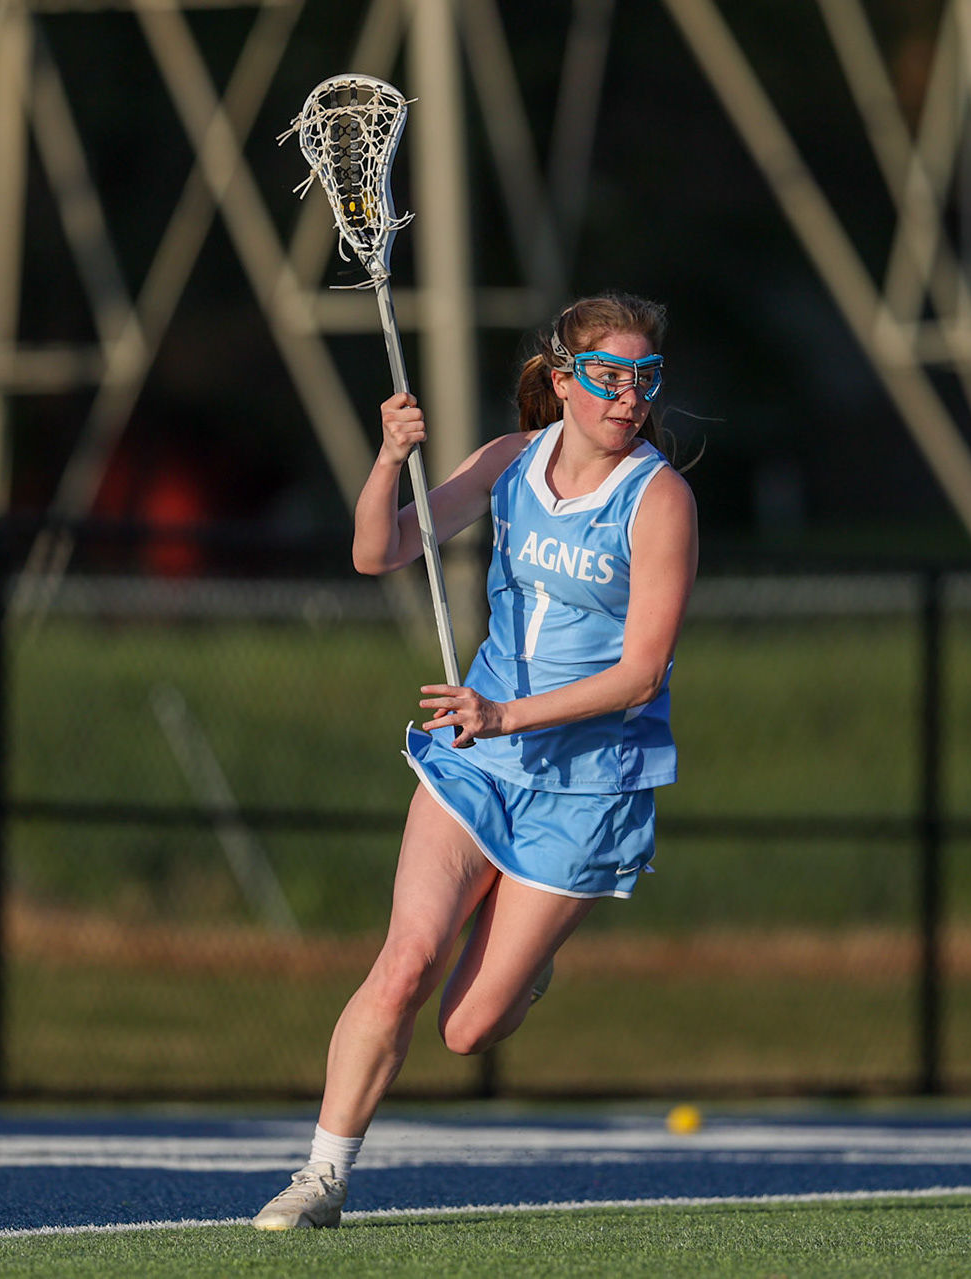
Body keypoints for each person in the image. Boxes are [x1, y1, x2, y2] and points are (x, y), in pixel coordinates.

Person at [250, 292, 698, 1229]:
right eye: (609, 378)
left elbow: (641, 673)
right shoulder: (509, 460)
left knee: (467, 1028)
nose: (628, 399)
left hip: (585, 787)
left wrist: (508, 714)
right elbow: (379, 550)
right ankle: (322, 1177)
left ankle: (526, 965)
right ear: (564, 379)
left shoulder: (659, 500)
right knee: (404, 963)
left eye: (644, 380)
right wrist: (389, 459)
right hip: (476, 763)